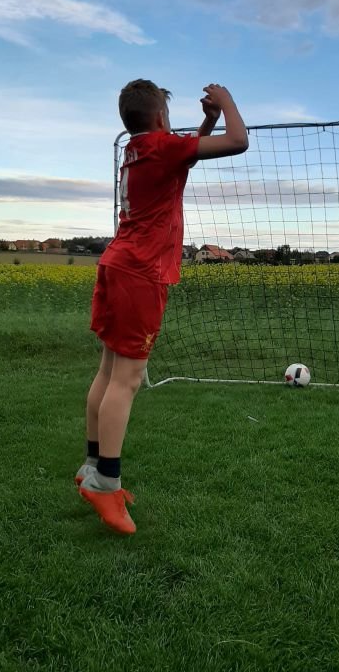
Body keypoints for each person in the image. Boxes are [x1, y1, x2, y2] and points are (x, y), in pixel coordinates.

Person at [75, 80, 248, 535]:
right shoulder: (161, 147)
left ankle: (92, 466)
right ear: (159, 119)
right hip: (141, 273)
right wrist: (226, 102)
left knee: (109, 371)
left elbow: (183, 154)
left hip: (117, 265)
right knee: (128, 379)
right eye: (168, 119)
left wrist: (206, 122)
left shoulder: (137, 150)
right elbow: (238, 141)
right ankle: (106, 483)